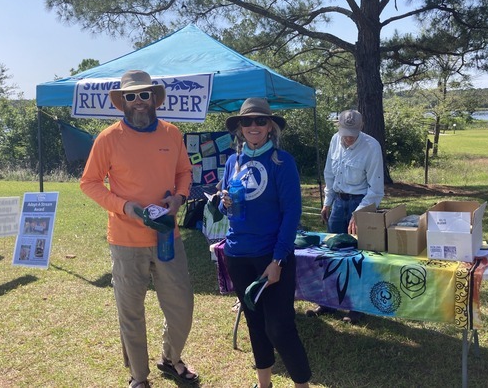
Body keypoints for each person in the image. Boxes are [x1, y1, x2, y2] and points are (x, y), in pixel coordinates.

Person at [80, 70, 198, 388]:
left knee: (182, 307)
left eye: (144, 95)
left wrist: (178, 198)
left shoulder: (172, 133)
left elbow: (185, 172)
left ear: (154, 99)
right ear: (123, 102)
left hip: (167, 237)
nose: (139, 102)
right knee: (131, 312)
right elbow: (89, 182)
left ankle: (170, 359)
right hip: (126, 239)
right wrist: (124, 207)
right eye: (131, 96)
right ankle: (139, 376)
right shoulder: (108, 138)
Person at [220, 98, 311, 388]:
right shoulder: (233, 162)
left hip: (270, 256)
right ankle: (264, 385)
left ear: (270, 126)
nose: (254, 126)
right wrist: (223, 204)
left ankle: (301, 384)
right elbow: (227, 209)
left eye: (261, 121)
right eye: (247, 121)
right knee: (255, 325)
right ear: (240, 128)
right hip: (237, 254)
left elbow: (291, 214)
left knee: (280, 328)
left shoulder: (283, 163)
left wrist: (277, 260)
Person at [306, 109, 384, 323]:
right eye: (345, 132)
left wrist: (360, 214)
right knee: (332, 253)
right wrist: (327, 202)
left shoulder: (371, 146)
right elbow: (330, 174)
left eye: (352, 133)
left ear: (361, 127)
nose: (348, 137)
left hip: (362, 202)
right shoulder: (334, 140)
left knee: (357, 256)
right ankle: (328, 302)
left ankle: (356, 307)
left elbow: (376, 189)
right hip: (339, 201)